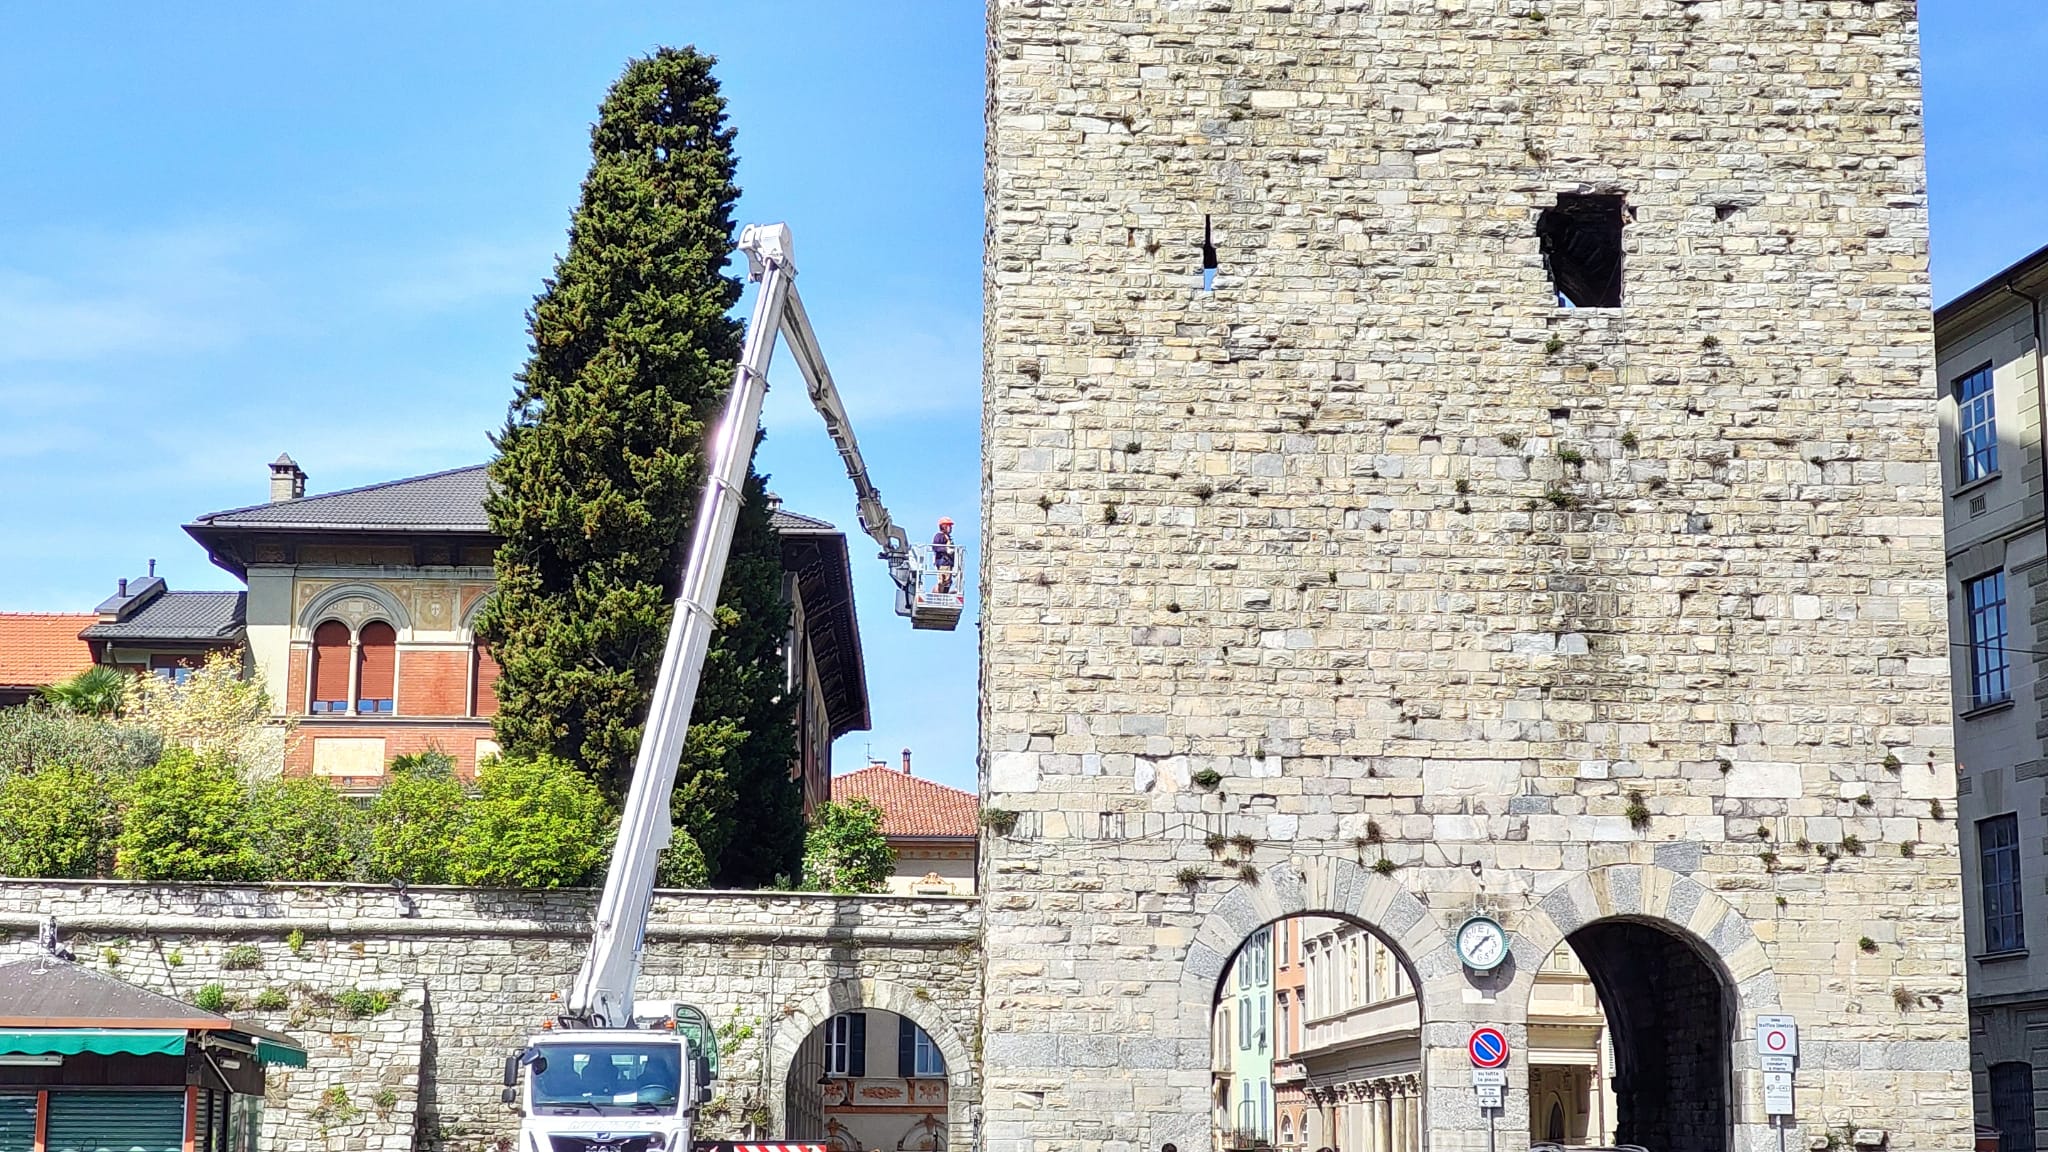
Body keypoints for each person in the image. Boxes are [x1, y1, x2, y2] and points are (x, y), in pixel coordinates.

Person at [931, 517, 957, 594]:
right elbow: (935, 547)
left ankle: (944, 593)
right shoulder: (939, 536)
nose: (951, 528)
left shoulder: (948, 538)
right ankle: (939, 593)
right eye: (949, 526)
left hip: (949, 563)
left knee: (948, 581)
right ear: (944, 526)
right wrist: (946, 550)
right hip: (943, 562)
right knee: (944, 580)